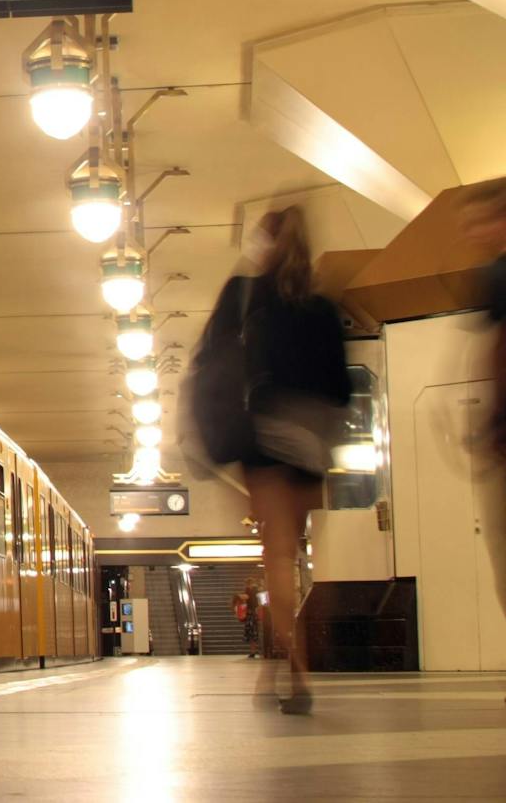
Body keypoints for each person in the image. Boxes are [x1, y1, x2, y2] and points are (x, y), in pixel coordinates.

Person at [203, 207, 351, 714]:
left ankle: (295, 669)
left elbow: (213, 360)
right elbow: (342, 388)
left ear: (263, 241)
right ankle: (278, 668)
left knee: (276, 558)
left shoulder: (244, 294)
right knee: (296, 556)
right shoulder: (323, 307)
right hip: (310, 443)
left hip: (263, 439)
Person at [462, 179, 506, 633]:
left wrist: (490, 426)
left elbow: (497, 353)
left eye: (479, 222)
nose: (472, 234)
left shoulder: (497, 275)